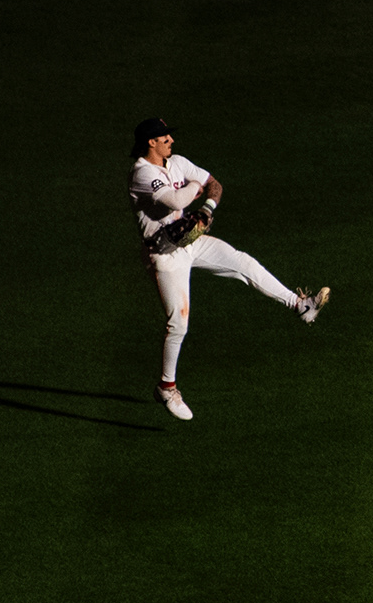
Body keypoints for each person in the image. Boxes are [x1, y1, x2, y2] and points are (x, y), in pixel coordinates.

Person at [127, 117, 329, 421]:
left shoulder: (177, 162)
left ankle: (300, 305)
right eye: (164, 137)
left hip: (189, 242)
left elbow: (215, 184)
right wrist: (195, 187)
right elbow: (175, 199)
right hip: (164, 255)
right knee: (178, 323)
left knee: (241, 261)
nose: (170, 140)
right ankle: (167, 388)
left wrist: (207, 208)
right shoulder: (142, 173)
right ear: (150, 142)